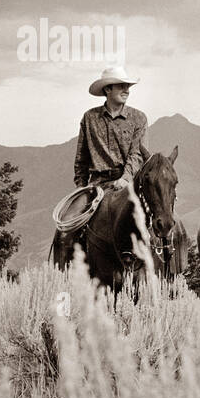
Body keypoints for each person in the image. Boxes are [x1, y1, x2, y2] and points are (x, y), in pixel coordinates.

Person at [52, 65, 149, 267]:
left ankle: (166, 272)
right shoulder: (89, 118)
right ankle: (60, 276)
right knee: (65, 228)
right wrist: (81, 186)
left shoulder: (139, 118)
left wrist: (126, 178)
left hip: (128, 183)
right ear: (107, 90)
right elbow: (81, 157)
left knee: (161, 221)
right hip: (96, 185)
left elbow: (137, 153)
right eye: (121, 86)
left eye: (128, 86)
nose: (127, 90)